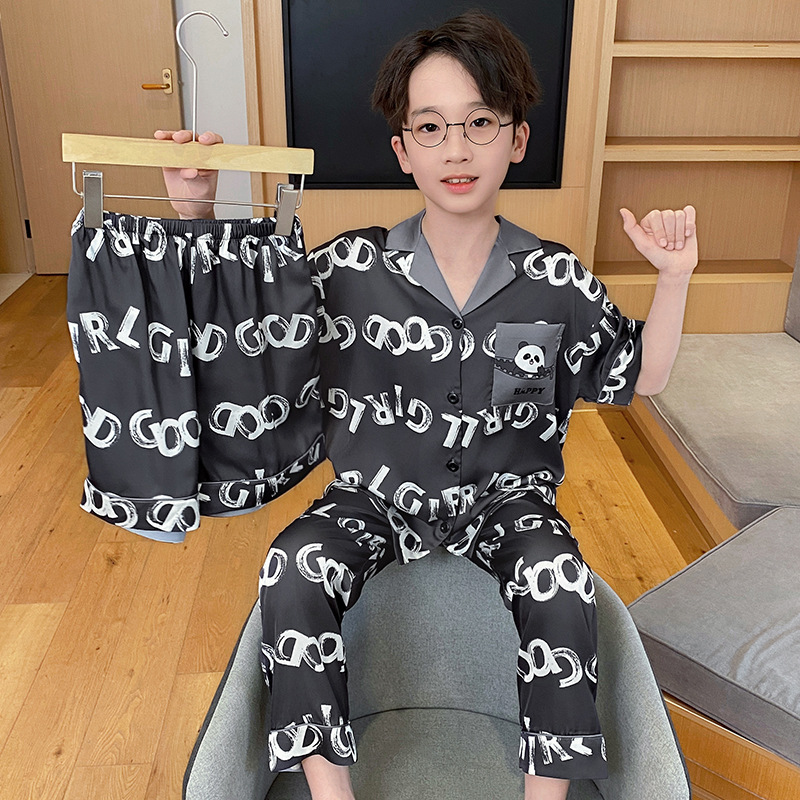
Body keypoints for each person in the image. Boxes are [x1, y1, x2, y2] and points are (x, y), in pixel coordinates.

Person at [156, 11, 697, 800]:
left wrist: (674, 278)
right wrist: (196, 213)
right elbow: (246, 333)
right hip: (371, 496)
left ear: (516, 138)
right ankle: (330, 791)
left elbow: (641, 373)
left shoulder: (557, 279)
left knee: (561, 579)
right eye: (431, 127)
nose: (457, 149)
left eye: (480, 123)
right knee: (292, 565)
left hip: (509, 498)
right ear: (403, 150)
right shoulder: (348, 268)